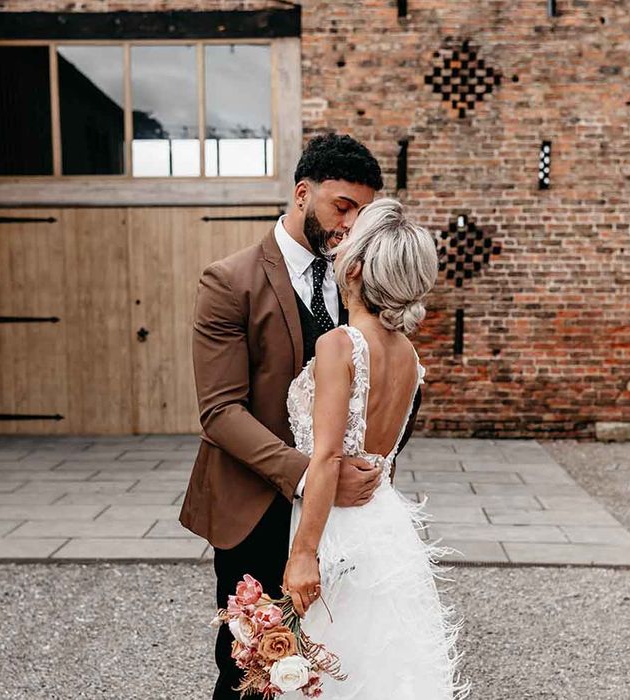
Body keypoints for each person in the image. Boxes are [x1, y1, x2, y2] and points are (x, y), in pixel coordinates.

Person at [179, 134, 420, 699]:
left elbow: (389, 384)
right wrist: (316, 474)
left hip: (346, 524)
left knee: (340, 664)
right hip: (254, 506)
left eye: (361, 211)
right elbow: (219, 412)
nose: (350, 223)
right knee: (254, 670)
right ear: (302, 192)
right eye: (342, 206)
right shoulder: (229, 281)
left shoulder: (363, 278)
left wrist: (372, 468)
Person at [283, 198, 470, 699]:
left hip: (336, 527)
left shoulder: (338, 344)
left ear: (359, 268)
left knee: (333, 666)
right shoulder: (408, 355)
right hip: (386, 527)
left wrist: (302, 555)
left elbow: (325, 458)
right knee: (380, 669)